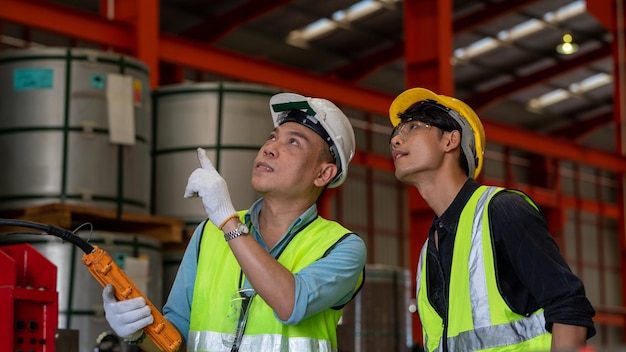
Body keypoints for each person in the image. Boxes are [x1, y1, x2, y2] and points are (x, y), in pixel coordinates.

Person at [101, 92, 366, 351]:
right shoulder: (208, 233)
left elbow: (292, 304)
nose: (270, 148)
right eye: (272, 137)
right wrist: (138, 334)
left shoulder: (342, 247)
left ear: (323, 173)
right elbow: (176, 339)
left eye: (293, 142)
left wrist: (228, 221)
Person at [388, 87, 596, 352]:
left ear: (450, 140)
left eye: (413, 127)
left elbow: (569, 308)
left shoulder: (502, 209)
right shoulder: (431, 247)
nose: (396, 140)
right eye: (397, 133)